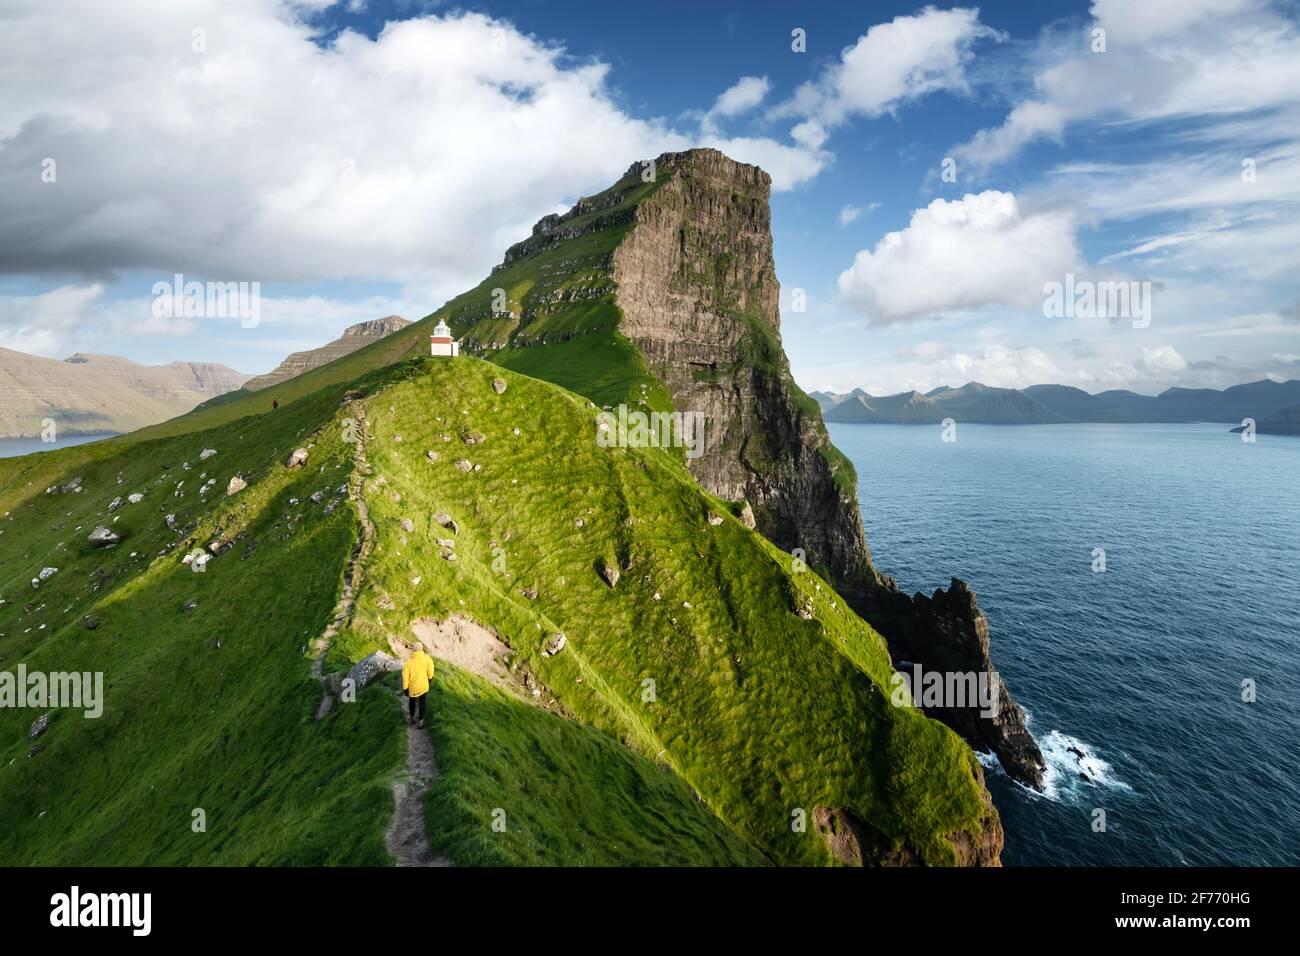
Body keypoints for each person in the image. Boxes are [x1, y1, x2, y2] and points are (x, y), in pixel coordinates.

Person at [402, 643, 434, 728]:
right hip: (423, 686)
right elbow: (430, 672)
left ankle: (412, 718)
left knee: (412, 702)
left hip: (412, 688)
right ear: (421, 649)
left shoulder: (408, 662)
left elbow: (405, 677)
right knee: (422, 703)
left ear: (413, 650)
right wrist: (429, 680)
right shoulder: (427, 659)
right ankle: (421, 722)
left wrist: (405, 689)